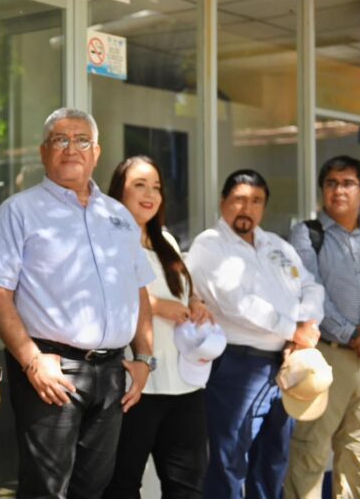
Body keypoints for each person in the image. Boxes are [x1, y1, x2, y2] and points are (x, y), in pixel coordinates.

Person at [0, 108, 156, 498]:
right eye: (60, 140)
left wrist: (146, 359)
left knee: (94, 486)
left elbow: (139, 289)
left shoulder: (118, 216)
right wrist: (30, 361)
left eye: (81, 140)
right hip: (50, 370)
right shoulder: (19, 211)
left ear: (96, 152)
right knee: (46, 489)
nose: (71, 149)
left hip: (111, 372)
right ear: (44, 152)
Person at [186, 169, 324, 499]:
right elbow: (237, 304)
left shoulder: (275, 245)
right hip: (237, 366)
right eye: (239, 200)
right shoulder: (209, 245)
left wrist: (304, 329)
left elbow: (311, 286)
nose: (247, 208)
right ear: (223, 202)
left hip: (285, 363)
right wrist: (295, 329)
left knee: (273, 459)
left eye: (256, 201)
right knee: (229, 462)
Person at [102, 156, 215, 499]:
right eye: (139, 185)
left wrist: (196, 304)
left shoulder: (165, 239)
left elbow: (186, 289)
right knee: (123, 484)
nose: (150, 194)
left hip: (184, 385)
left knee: (187, 485)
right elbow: (109, 292)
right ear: (118, 191)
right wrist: (158, 306)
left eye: (157, 187)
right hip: (137, 384)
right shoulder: (107, 238)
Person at [285, 156, 360, 498]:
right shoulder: (308, 234)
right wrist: (352, 334)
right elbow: (309, 291)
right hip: (326, 356)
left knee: (358, 453)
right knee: (310, 452)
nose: (338, 190)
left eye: (347, 183)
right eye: (331, 183)